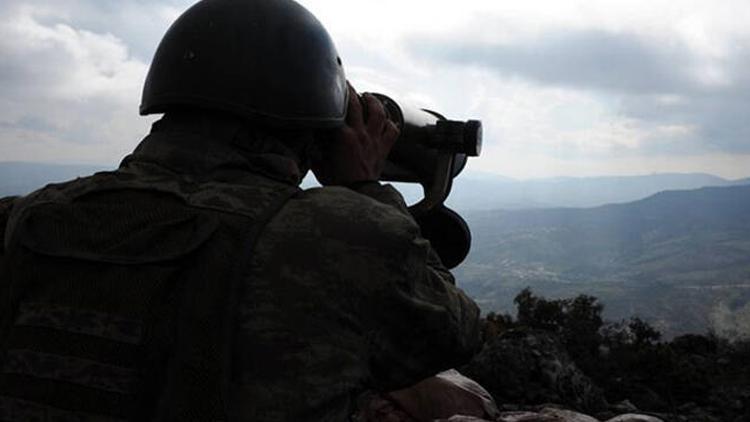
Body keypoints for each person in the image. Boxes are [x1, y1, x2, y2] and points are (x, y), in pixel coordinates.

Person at [0, 0, 481, 420]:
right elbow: (454, 333)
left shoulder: (34, 216)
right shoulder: (335, 235)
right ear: (311, 129)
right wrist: (362, 185)